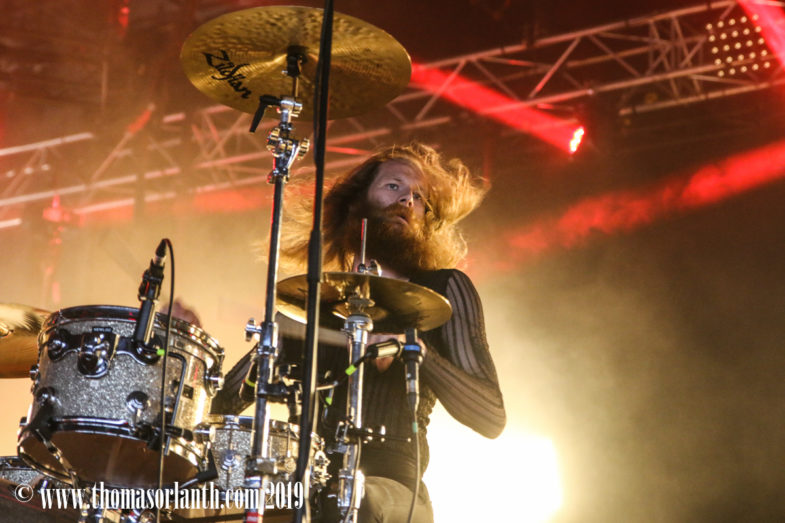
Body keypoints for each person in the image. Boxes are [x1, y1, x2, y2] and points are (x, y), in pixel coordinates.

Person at [272, 142, 507, 522]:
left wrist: (415, 352)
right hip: (310, 480)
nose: (407, 200)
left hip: (394, 488)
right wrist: (188, 344)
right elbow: (232, 397)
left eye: (419, 197)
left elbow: (491, 417)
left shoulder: (444, 289)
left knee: (356, 501)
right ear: (356, 202)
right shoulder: (310, 303)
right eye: (394, 186)